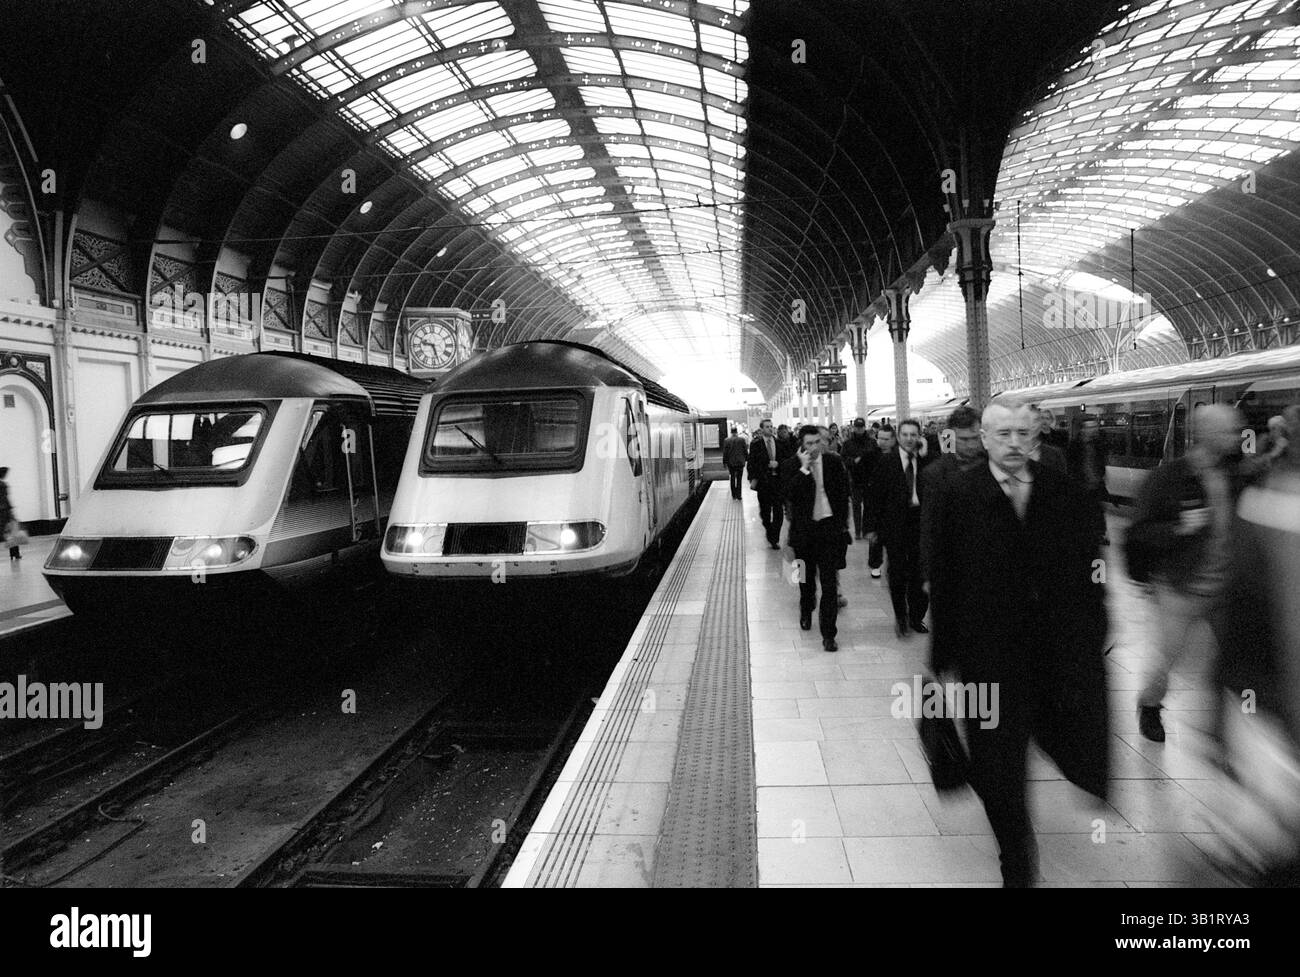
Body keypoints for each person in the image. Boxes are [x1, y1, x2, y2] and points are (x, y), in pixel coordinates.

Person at [928, 402, 1109, 887]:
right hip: (984, 659)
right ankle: (1016, 852)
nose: (1013, 442)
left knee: (1059, 735)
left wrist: (1093, 636)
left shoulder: (1066, 494)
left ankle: (1073, 776)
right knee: (994, 764)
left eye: (1023, 433)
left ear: (1037, 439)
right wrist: (939, 659)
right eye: (1002, 433)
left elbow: (1091, 577)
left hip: (1053, 655)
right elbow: (943, 580)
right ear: (983, 438)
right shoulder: (956, 495)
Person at [1125, 403, 1248, 746]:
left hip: (1223, 589)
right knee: (1170, 659)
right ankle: (1150, 703)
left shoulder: (1236, 475)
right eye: (1228, 431)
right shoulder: (1169, 478)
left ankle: (1219, 737)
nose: (1236, 437)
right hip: (1180, 587)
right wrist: (1179, 527)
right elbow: (1137, 532)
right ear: (1206, 435)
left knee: (1227, 665)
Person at [781, 425, 851, 652]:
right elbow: (788, 494)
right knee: (805, 581)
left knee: (830, 585)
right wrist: (803, 469)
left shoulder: (833, 463)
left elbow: (842, 495)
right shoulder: (792, 465)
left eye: (816, 442)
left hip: (829, 531)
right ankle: (805, 608)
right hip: (803, 535)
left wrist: (842, 527)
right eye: (808, 444)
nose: (813, 448)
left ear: (822, 442)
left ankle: (829, 634)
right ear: (801, 444)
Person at [866, 418, 932, 637]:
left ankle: (916, 617)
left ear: (919, 437)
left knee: (919, 573)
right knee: (897, 573)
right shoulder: (887, 462)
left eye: (914, 435)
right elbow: (874, 496)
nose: (910, 439)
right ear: (898, 437)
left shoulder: (927, 462)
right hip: (894, 525)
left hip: (920, 524)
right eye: (905, 435)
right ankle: (901, 617)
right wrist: (871, 527)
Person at [918, 405, 985, 588]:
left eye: (975, 438)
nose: (971, 445)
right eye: (964, 439)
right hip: (951, 563)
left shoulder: (992, 465)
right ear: (951, 436)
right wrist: (928, 573)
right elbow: (929, 525)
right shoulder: (935, 474)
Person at [1067, 414, 1109, 546]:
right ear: (1083, 429)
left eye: (1095, 427)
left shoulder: (1098, 444)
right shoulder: (1074, 445)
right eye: (1090, 427)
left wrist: (1101, 476)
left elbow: (1100, 461)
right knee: (1084, 512)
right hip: (1081, 485)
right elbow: (1071, 466)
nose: (1093, 430)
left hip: (1095, 484)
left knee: (1098, 511)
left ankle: (1100, 535)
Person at [747, 419, 785, 549]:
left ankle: (775, 538)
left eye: (771, 426)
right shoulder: (756, 444)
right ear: (761, 429)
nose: (770, 429)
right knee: (765, 512)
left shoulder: (779, 443)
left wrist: (778, 464)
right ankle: (770, 532)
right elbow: (752, 462)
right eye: (767, 427)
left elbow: (786, 460)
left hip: (778, 482)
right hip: (764, 483)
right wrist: (752, 478)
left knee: (779, 511)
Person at [841, 418, 878, 540]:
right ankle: (857, 531)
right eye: (857, 427)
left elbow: (877, 458)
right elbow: (844, 459)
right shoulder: (848, 443)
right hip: (855, 479)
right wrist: (854, 461)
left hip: (869, 479)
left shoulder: (872, 442)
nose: (859, 429)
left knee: (869, 506)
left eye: (861, 427)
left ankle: (866, 530)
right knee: (856, 506)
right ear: (854, 428)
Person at [865, 425, 894, 578]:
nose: (882, 442)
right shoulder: (871, 456)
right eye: (880, 438)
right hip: (875, 502)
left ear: (893, 440)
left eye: (886, 439)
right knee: (876, 535)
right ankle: (875, 564)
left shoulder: (900, 456)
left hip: (894, 503)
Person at [722, 426, 749, 500]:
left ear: (731, 432)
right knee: (739, 479)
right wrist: (747, 459)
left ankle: (733, 495)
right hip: (740, 462)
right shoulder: (742, 440)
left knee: (732, 478)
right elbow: (745, 451)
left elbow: (725, 453)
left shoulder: (727, 440)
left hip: (731, 463)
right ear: (737, 432)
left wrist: (724, 462)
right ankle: (739, 495)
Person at [1, 466, 21, 561]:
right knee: (12, 532)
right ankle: (15, 554)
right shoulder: (3, 485)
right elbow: (6, 499)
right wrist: (11, 511)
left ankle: (14, 554)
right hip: (5, 512)